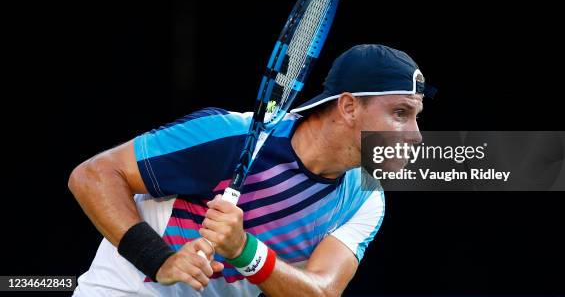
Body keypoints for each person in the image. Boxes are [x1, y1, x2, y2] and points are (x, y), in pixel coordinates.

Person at [69, 44, 435, 296]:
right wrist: (159, 260)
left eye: (416, 117)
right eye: (400, 113)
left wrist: (244, 249)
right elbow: (94, 175)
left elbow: (322, 290)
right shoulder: (231, 136)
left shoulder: (364, 197)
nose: (415, 136)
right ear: (349, 107)